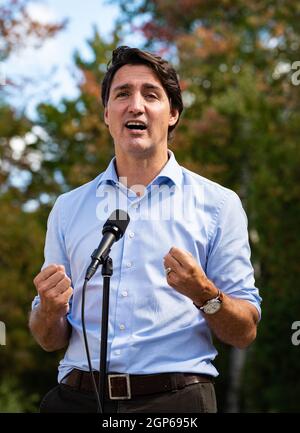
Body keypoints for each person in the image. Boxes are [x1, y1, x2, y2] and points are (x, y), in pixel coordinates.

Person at [29, 46, 261, 413]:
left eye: (151, 95)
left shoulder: (218, 204)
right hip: (75, 399)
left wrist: (204, 293)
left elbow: (245, 332)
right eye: (122, 94)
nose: (135, 105)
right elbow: (49, 339)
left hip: (177, 403)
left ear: (173, 114)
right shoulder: (67, 208)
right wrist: (48, 311)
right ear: (107, 114)